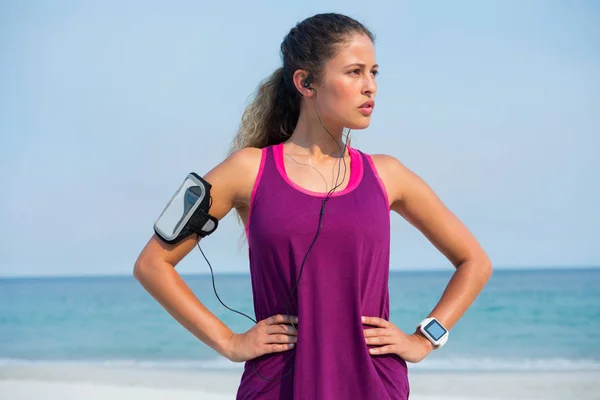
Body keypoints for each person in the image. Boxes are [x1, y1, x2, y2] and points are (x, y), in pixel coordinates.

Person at [134, 13, 492, 400]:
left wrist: (425, 339)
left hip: (373, 385)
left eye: (374, 72)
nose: (370, 87)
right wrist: (229, 342)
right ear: (305, 82)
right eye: (354, 72)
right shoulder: (246, 170)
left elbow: (474, 262)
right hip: (278, 385)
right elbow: (153, 265)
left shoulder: (389, 175)